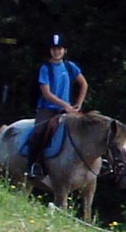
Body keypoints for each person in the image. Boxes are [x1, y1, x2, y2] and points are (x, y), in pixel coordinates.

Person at [26, 33, 88, 178]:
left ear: (64, 50)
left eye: (59, 49)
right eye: (54, 49)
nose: (57, 51)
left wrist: (78, 104)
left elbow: (84, 84)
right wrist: (65, 105)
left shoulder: (69, 66)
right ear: (50, 51)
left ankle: (94, 162)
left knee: (85, 128)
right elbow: (46, 94)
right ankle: (33, 165)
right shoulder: (45, 68)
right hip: (47, 109)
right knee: (38, 132)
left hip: (66, 109)